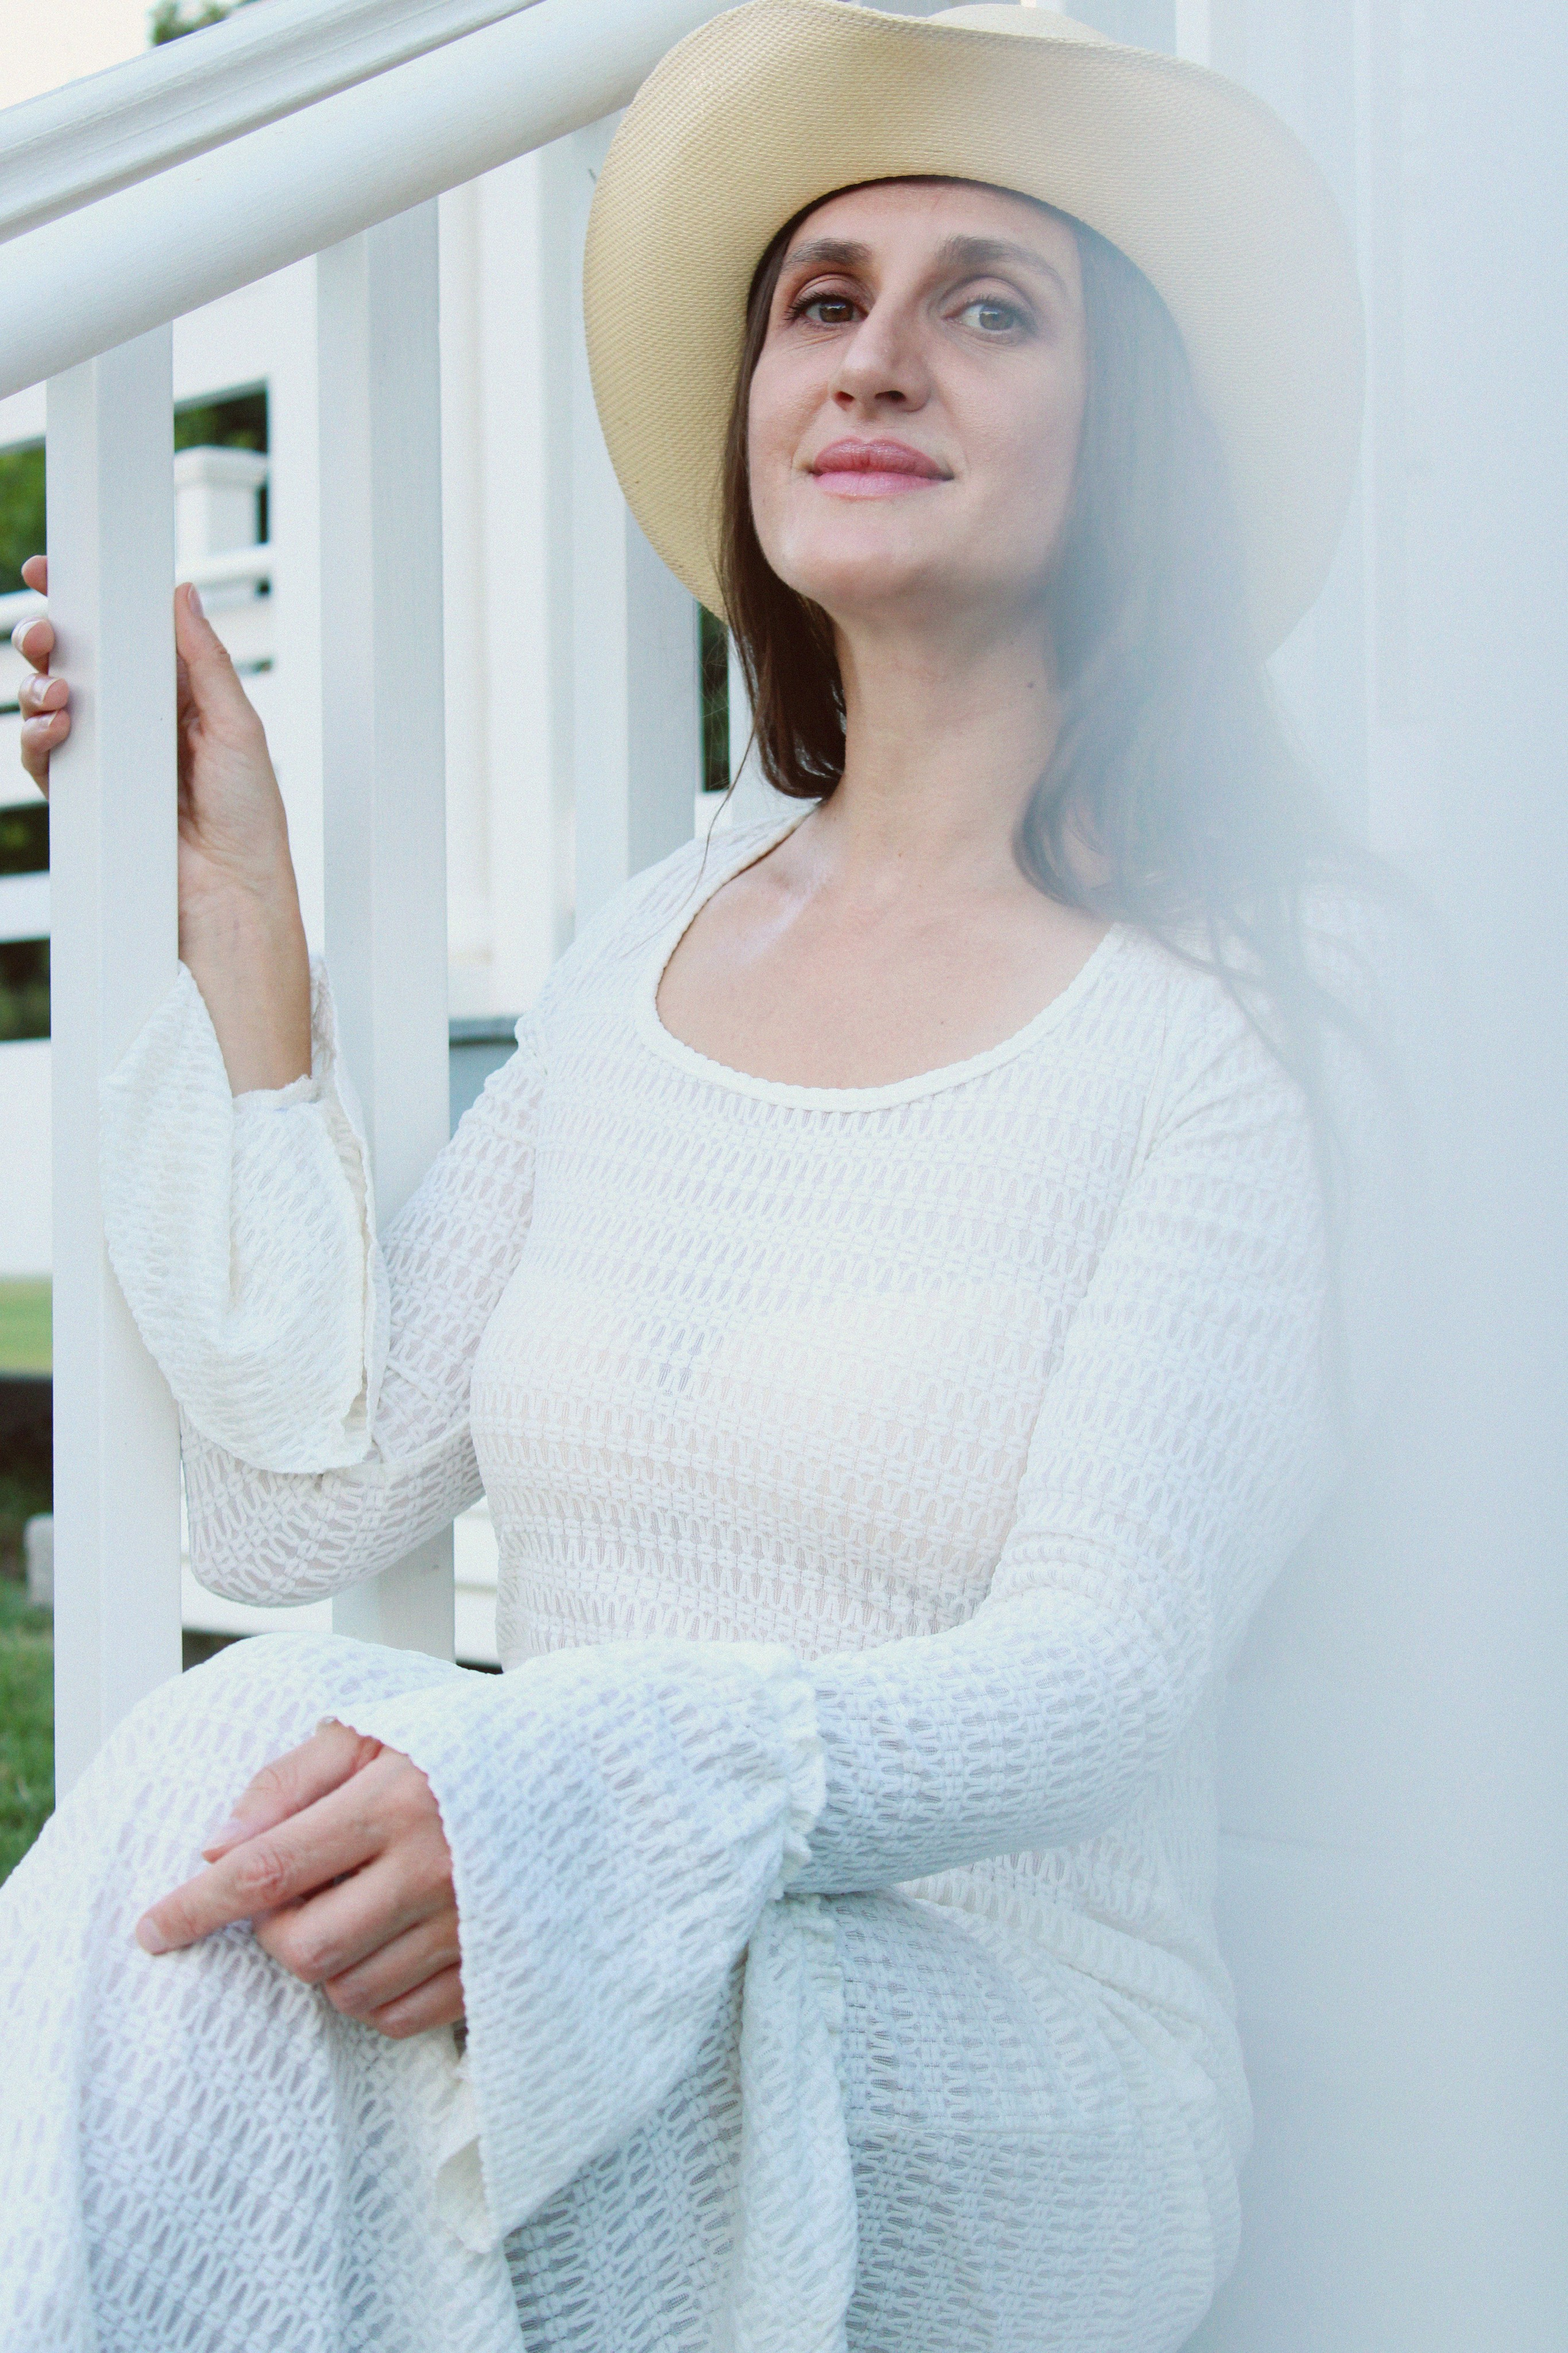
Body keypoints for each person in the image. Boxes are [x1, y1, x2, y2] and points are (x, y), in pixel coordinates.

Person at [0, 4, 1400, 2347]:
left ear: (1129, 435)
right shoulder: (655, 932)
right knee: (236, 1771)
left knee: (280, 1836)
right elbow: (286, 1518)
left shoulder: (1248, 1001)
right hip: (556, 1936)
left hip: (999, 2047)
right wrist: (233, 923)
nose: (876, 359)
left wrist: (595, 1797)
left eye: (988, 303)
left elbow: (1108, 1669)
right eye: (820, 301)